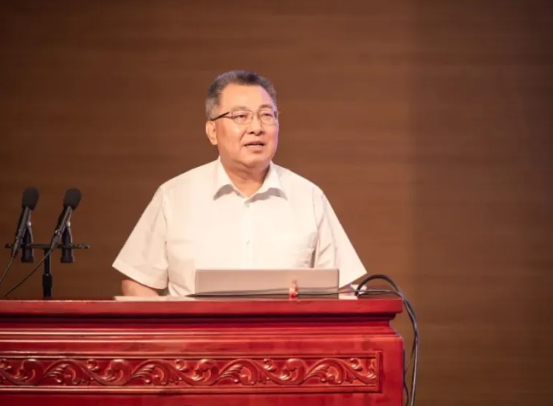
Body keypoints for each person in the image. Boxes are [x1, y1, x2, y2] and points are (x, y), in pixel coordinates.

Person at [112, 70, 366, 296]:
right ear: (212, 131)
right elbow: (137, 283)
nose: (256, 127)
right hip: (196, 337)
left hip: (283, 337)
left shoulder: (308, 197)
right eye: (241, 116)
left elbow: (342, 290)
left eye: (266, 115)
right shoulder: (174, 196)